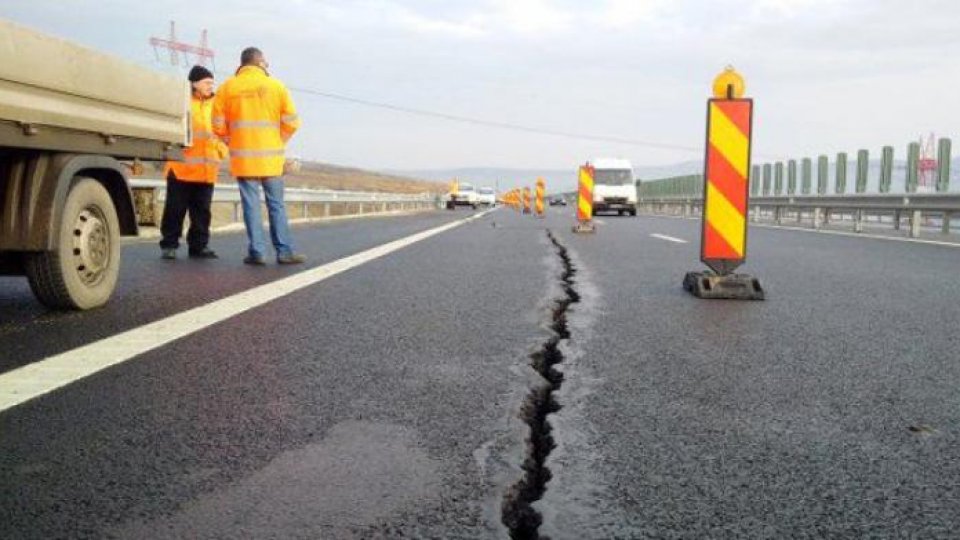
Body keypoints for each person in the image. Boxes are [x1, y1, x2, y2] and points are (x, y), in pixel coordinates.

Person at [211, 47, 306, 265]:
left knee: (251, 206)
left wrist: (231, 139)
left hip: (243, 158)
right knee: (276, 205)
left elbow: (216, 124)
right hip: (271, 159)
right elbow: (293, 123)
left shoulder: (227, 88)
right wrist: (277, 140)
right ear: (260, 62)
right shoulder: (276, 86)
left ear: (242, 64)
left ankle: (257, 253)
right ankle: (284, 252)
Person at [160, 65, 226, 259]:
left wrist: (220, 151)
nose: (210, 86)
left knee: (202, 212)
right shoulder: (181, 102)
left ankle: (199, 247)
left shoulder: (217, 105)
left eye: (212, 82)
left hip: (207, 169)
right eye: (206, 82)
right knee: (175, 210)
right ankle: (169, 245)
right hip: (181, 167)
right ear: (194, 83)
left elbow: (224, 133)